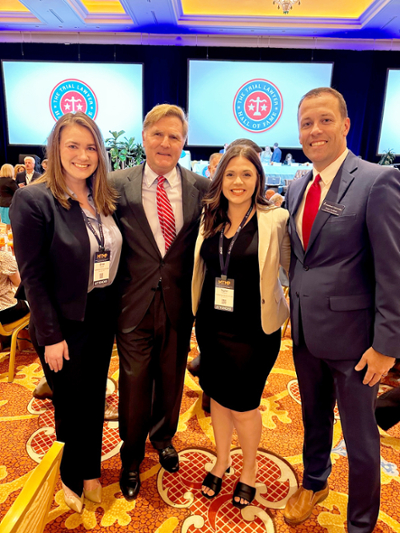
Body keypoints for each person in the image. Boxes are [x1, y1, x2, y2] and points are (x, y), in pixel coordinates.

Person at [283, 87, 400, 533]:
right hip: (306, 333)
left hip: (357, 343)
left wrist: (387, 345)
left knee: (360, 438)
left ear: (346, 125)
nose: (315, 130)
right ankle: (314, 483)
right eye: (306, 123)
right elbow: (303, 259)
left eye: (325, 120)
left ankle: (361, 522)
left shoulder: (377, 180)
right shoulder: (298, 185)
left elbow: (393, 270)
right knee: (313, 419)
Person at [10, 111, 122, 514]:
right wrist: (51, 336)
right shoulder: (34, 200)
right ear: (55, 149)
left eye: (91, 147)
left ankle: (90, 470)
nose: (83, 155)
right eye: (73, 145)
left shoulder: (103, 197)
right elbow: (33, 277)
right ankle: (72, 475)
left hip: (101, 314)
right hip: (62, 323)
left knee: (93, 399)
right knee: (70, 404)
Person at [110, 104, 209, 501]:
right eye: (158, 134)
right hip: (132, 305)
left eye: (174, 136)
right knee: (134, 383)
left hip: (179, 305)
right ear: (144, 137)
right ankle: (131, 456)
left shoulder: (202, 188)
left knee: (171, 379)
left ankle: (163, 437)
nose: (166, 143)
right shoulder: (116, 184)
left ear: (183, 142)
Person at [192, 145, 290, 509]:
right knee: (218, 397)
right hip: (212, 327)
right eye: (230, 174)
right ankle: (222, 460)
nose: (238, 182)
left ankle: (249, 470)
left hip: (254, 332)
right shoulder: (209, 217)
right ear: (220, 179)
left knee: (245, 405)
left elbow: (296, 268)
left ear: (258, 179)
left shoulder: (275, 219)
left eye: (246, 174)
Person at [0, 164, 18, 229]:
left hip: (2, 203)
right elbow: (17, 192)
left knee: (5, 223)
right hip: (10, 204)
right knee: (10, 223)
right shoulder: (10, 181)